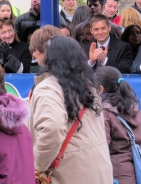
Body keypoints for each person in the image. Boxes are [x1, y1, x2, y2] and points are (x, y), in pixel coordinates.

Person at [28, 36, 113, 184]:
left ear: (51, 58)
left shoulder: (48, 88)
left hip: (69, 172)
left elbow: (51, 129)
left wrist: (37, 165)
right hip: (99, 169)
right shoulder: (89, 86)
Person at [95, 66, 141, 184]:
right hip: (137, 177)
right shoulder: (138, 113)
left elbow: (100, 150)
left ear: (100, 89)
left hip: (113, 177)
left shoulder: (105, 115)